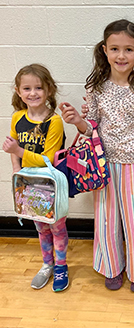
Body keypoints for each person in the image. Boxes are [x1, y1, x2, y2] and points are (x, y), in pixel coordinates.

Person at [60, 19, 134, 292]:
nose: (121, 55)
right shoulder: (96, 86)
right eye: (115, 49)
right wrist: (76, 122)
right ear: (105, 50)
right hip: (103, 166)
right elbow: (91, 125)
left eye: (128, 50)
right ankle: (112, 267)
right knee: (107, 219)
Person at [2, 64, 68, 292]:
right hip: (27, 183)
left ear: (49, 90)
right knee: (40, 227)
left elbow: (47, 159)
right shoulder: (17, 117)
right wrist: (15, 171)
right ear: (19, 92)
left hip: (50, 183)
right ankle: (47, 264)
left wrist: (19, 152)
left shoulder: (54, 121)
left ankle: (61, 266)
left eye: (38, 87)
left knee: (56, 227)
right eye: (27, 88)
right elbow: (13, 148)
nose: (33, 93)